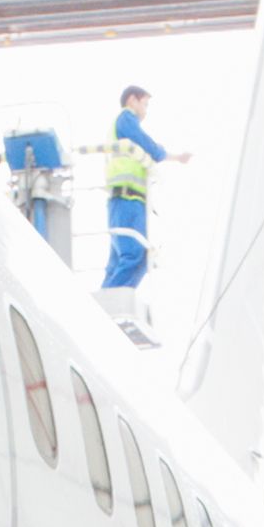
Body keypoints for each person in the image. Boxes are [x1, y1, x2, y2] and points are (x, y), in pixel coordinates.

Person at [99, 85, 181, 345]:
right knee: (134, 255)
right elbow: (145, 143)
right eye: (144, 104)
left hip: (132, 201)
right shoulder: (125, 120)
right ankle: (107, 304)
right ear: (132, 100)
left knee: (129, 259)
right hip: (125, 199)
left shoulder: (126, 124)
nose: (145, 112)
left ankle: (109, 298)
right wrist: (165, 154)